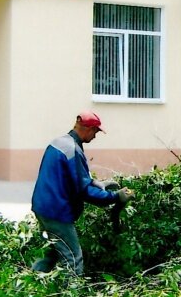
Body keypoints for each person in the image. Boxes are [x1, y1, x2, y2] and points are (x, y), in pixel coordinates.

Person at [31, 110, 132, 276]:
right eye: (95, 131)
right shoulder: (73, 150)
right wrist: (114, 197)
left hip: (42, 207)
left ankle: (28, 286)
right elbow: (83, 191)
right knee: (73, 257)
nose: (95, 136)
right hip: (57, 212)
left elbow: (68, 176)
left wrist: (94, 182)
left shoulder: (59, 143)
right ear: (88, 129)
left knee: (51, 253)